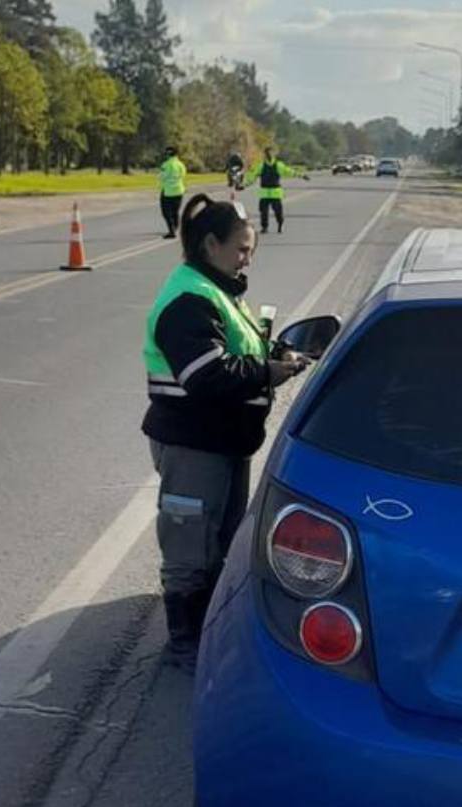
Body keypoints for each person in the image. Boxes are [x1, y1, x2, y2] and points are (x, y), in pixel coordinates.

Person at [142, 194, 309, 671]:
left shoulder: (218, 290)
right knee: (189, 544)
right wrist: (267, 372)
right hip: (194, 444)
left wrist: (273, 351)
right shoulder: (188, 299)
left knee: (218, 538)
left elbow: (236, 344)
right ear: (210, 244)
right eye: (241, 249)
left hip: (223, 442)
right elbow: (206, 375)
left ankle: (210, 627)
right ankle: (185, 644)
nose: (247, 258)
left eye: (250, 250)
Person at [244, 146, 309, 234]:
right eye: (267, 153)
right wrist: (243, 185)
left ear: (273, 154)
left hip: (276, 193)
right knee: (263, 211)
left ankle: (280, 224)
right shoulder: (261, 165)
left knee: (278, 211)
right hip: (264, 193)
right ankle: (264, 227)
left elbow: (289, 171)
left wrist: (301, 176)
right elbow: (252, 177)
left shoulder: (278, 165)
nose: (269, 155)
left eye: (270, 153)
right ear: (265, 155)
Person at [158, 146, 187, 239]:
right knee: (175, 211)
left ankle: (172, 231)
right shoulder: (180, 165)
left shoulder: (165, 165)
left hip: (168, 192)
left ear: (167, 154)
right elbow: (183, 175)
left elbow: (161, 177)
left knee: (166, 212)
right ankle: (176, 227)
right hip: (179, 191)